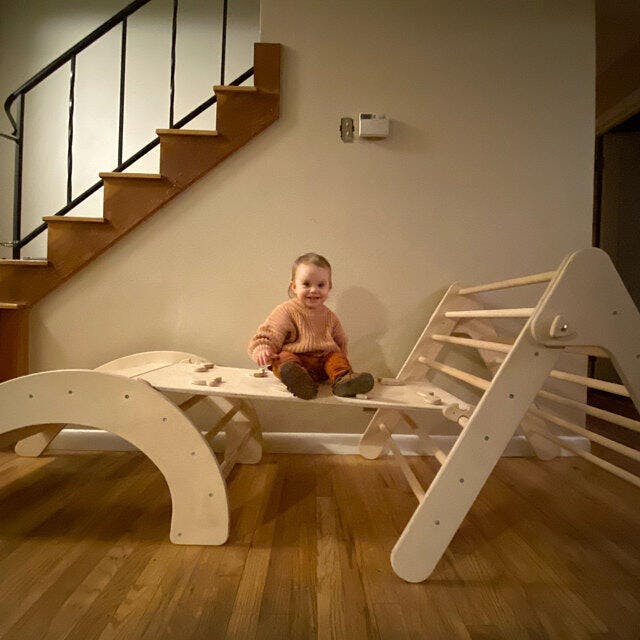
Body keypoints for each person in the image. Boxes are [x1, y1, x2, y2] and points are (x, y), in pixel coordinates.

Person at [247, 253, 374, 400]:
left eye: (321, 285)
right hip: (297, 361)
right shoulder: (286, 311)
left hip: (324, 364)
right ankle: (299, 382)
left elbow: (341, 342)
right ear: (294, 287)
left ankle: (342, 381)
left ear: (329, 287)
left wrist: (342, 361)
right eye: (306, 284)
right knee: (282, 358)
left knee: (335, 357)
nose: (313, 290)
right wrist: (263, 348)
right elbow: (269, 333)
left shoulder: (330, 316)